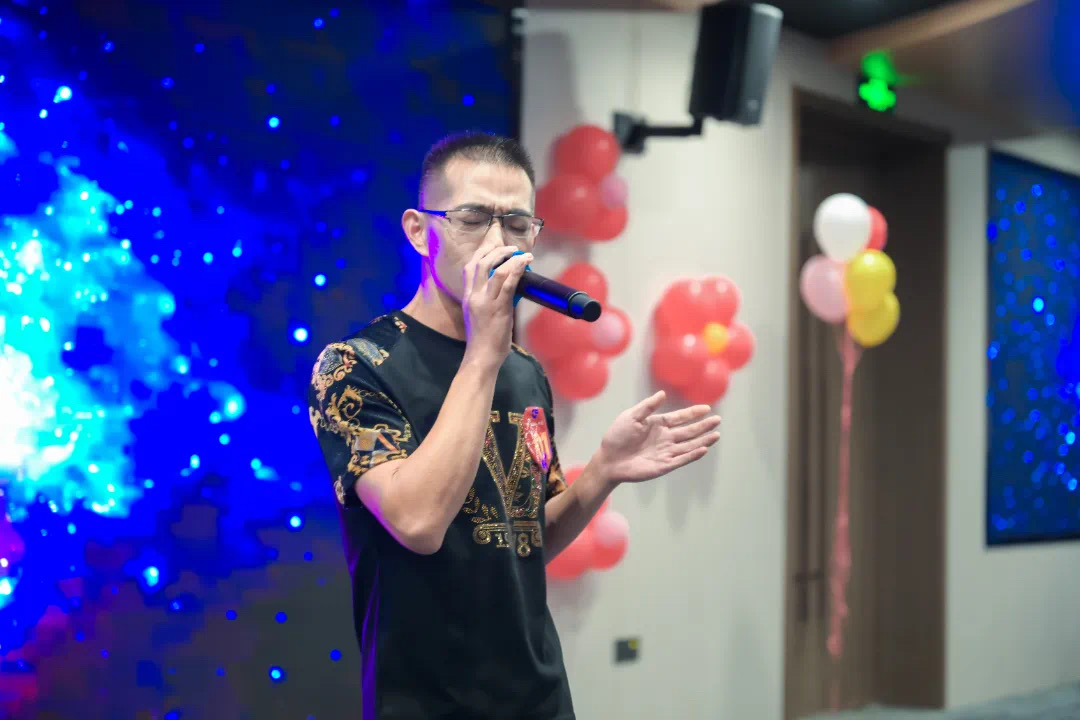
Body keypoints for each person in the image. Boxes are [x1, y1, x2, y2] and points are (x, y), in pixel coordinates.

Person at [307, 131, 721, 720]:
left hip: (540, 698)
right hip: (427, 703)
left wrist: (603, 472)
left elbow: (522, 540)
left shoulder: (523, 371)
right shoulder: (357, 366)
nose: (499, 243)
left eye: (518, 224)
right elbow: (418, 523)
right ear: (419, 231)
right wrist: (481, 355)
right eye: (473, 219)